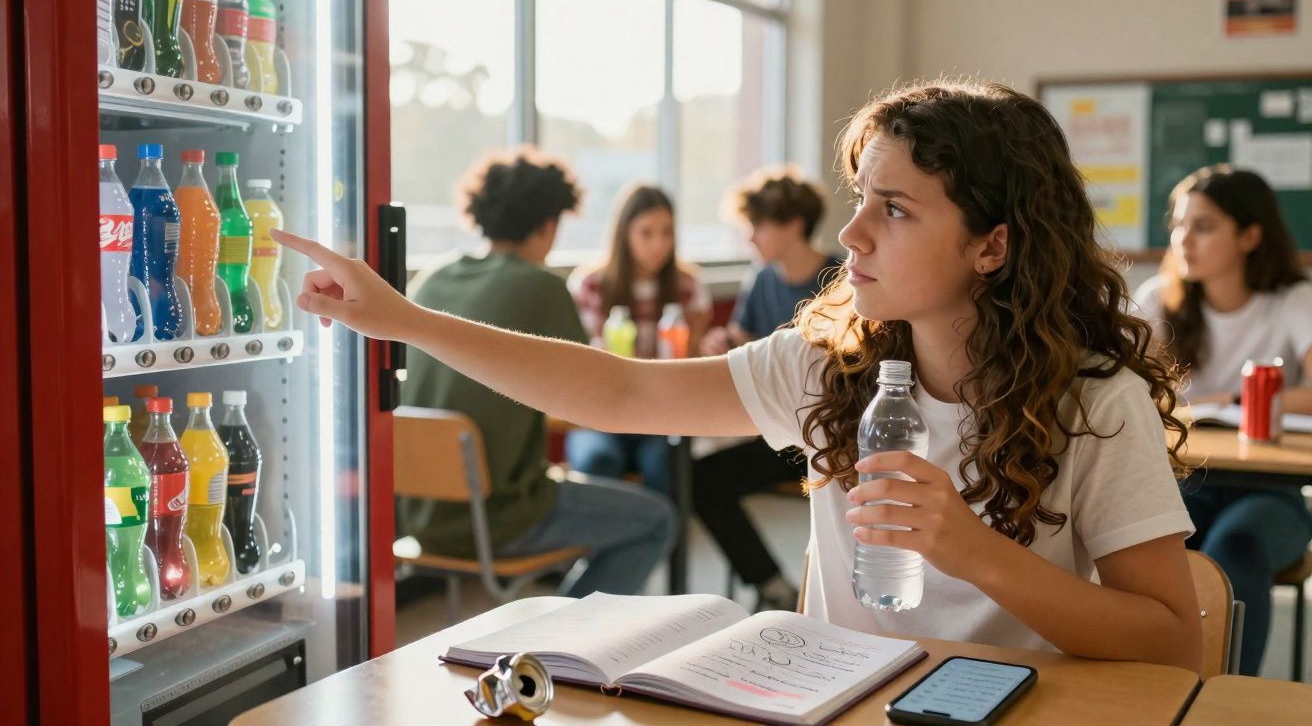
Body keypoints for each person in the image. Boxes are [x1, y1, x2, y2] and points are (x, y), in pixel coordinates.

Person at [273, 80, 1203, 670]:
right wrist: (399, 318)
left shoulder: (1096, 401)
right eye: (858, 203)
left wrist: (970, 551)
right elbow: (618, 391)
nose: (851, 237)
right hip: (838, 698)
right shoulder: (826, 364)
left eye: (895, 210)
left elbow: (1174, 641)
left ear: (992, 244)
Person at [396, 148, 676, 598]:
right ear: (549, 225)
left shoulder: (433, 278)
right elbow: (593, 399)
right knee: (656, 519)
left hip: (418, 515)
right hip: (502, 515)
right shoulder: (541, 287)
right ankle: (563, 640)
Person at [1133, 165, 1312, 675]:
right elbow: (1126, 390)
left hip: (1273, 494)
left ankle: (1227, 697)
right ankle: (1157, 684)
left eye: (1204, 226)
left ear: (1250, 236)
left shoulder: (1293, 301)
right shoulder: (1156, 300)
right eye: (1179, 225)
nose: (1183, 240)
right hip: (1187, 480)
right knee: (1149, 542)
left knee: (1237, 545)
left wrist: (1232, 396)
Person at [695, 166, 843, 611]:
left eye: (758, 226)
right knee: (699, 480)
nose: (751, 237)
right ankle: (771, 583)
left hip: (827, 434)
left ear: (793, 225)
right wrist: (723, 343)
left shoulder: (841, 279)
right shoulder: (761, 279)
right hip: (777, 432)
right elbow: (744, 341)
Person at [565, 184, 711, 495]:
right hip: (600, 415)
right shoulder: (590, 285)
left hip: (662, 419)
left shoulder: (689, 287)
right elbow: (578, 361)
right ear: (624, 233)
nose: (658, 244)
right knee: (597, 461)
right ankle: (610, 545)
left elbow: (696, 360)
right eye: (646, 233)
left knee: (665, 464)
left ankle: (669, 544)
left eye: (666, 232)